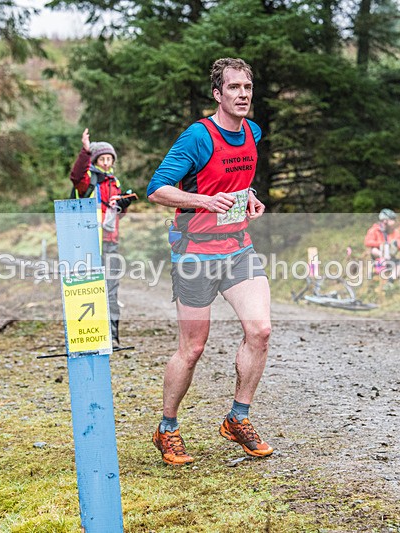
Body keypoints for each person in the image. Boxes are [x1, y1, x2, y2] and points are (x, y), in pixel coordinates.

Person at [146, 57, 272, 466]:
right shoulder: (197, 137)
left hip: (237, 247)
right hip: (196, 253)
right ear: (217, 94)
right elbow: (157, 189)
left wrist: (248, 197)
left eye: (247, 88)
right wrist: (203, 200)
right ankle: (167, 428)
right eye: (234, 88)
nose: (243, 95)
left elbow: (237, 181)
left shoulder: (252, 131)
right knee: (193, 347)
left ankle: (238, 417)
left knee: (261, 331)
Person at [69, 129, 133, 347]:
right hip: (88, 243)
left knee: (112, 289)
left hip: (111, 242)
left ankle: (113, 336)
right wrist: (86, 151)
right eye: (102, 159)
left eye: (109, 159)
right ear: (96, 160)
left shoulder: (116, 183)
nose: (106, 163)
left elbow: (118, 215)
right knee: (88, 288)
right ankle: (89, 335)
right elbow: (76, 177)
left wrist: (125, 206)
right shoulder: (90, 181)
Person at [364, 208, 400, 285]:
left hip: (390, 256)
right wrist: (381, 243)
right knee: (374, 250)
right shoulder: (375, 230)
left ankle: (391, 281)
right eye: (391, 220)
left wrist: (393, 245)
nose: (393, 223)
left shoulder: (395, 232)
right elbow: (367, 242)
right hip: (378, 255)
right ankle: (378, 266)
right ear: (384, 221)